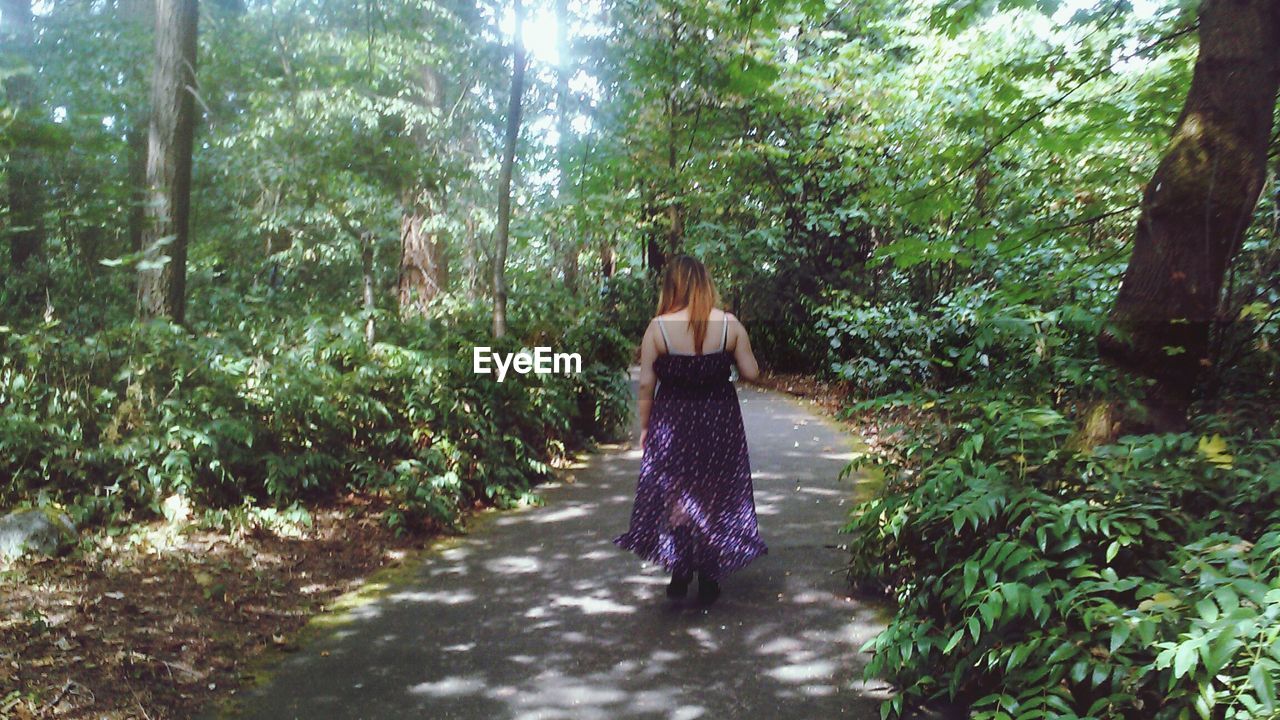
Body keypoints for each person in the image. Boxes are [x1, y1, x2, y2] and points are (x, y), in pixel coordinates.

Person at [613, 255, 767, 604]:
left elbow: (645, 386)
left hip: (673, 421)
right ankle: (709, 573)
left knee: (677, 492)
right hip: (718, 420)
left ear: (672, 286)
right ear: (705, 284)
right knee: (711, 490)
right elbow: (751, 372)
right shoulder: (729, 325)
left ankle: (682, 567)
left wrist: (646, 427)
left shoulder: (659, 328)